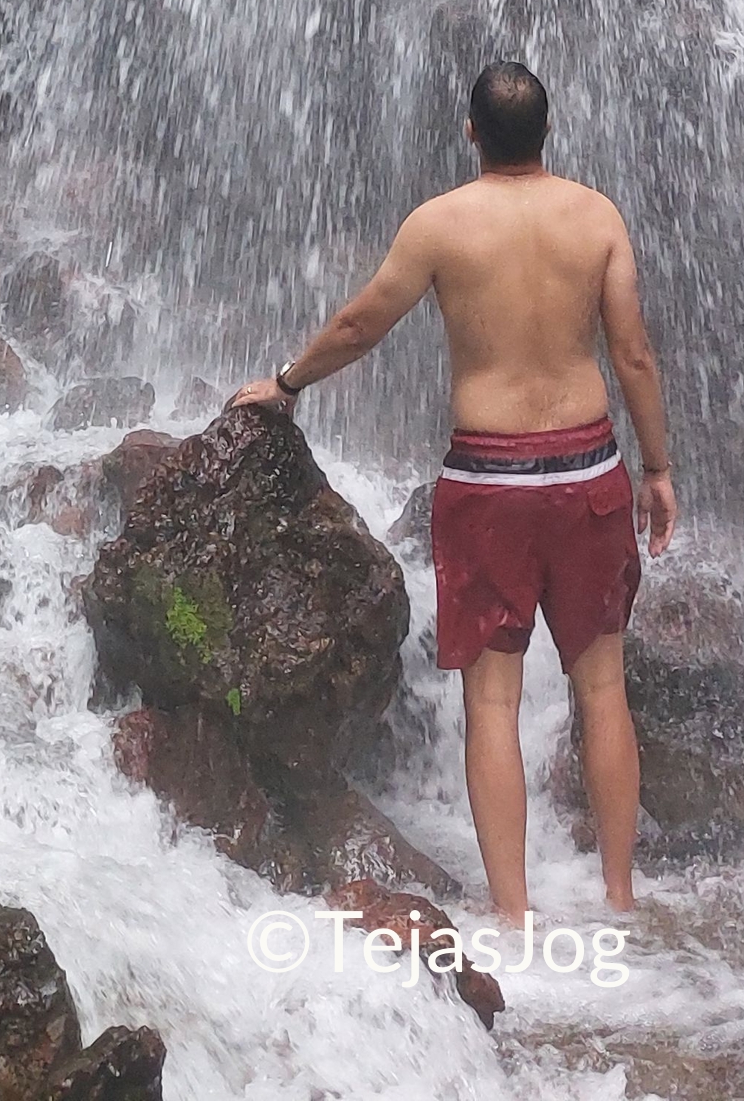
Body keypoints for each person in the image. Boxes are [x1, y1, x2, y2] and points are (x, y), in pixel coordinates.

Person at [231, 59, 677, 918]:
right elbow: (634, 356)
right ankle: (621, 901)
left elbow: (362, 322)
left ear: (471, 131)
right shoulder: (598, 216)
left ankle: (514, 918)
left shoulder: (441, 225)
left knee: (494, 701)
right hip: (588, 471)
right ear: (548, 130)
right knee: (602, 688)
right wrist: (655, 469)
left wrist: (285, 383)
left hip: (489, 477)